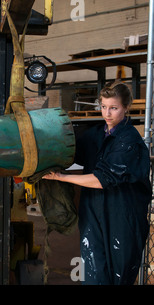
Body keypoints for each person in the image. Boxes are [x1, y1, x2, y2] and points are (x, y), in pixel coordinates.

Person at [43, 81, 151, 285]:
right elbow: (70, 153)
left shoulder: (129, 141)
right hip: (93, 213)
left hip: (122, 216)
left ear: (126, 107)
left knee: (118, 276)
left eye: (114, 108)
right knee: (93, 274)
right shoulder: (94, 135)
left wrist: (61, 177)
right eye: (103, 107)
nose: (107, 113)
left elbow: (103, 179)